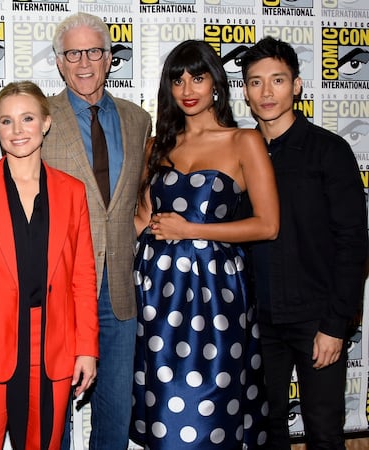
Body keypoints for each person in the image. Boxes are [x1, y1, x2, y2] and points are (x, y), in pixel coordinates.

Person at [131, 39, 279, 449]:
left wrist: (192, 230)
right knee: (163, 411)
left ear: (215, 81)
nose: (188, 88)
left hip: (216, 298)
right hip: (157, 295)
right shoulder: (155, 146)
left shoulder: (243, 141)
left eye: (197, 76)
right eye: (177, 80)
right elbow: (142, 219)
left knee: (213, 406)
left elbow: (267, 225)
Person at [0, 81, 99, 450]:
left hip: (53, 346)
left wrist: (87, 348)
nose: (17, 131)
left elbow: (82, 276)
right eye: (6, 121)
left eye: (27, 118)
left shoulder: (72, 190)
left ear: (46, 123)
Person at [240, 36, 369, 449]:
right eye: (256, 82)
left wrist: (335, 325)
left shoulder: (329, 151)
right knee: (267, 429)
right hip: (259, 321)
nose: (266, 92)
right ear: (245, 91)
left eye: (277, 80)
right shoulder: (241, 155)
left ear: (296, 86)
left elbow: (353, 243)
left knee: (324, 431)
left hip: (317, 318)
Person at [43, 12, 152, 450]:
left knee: (115, 408)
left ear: (110, 58)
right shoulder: (39, 116)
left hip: (120, 288)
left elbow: (141, 195)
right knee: (54, 407)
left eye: (94, 51)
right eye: (73, 53)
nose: (83, 62)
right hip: (58, 285)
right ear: (59, 61)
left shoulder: (137, 119)